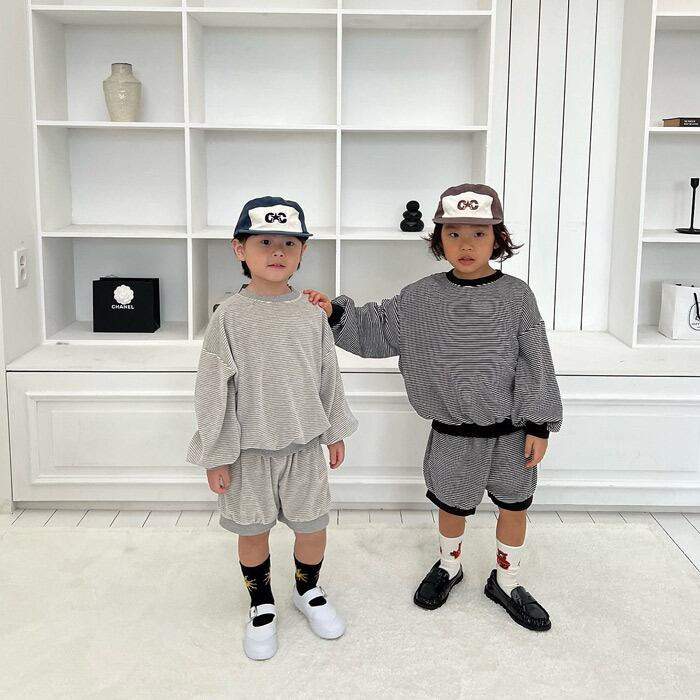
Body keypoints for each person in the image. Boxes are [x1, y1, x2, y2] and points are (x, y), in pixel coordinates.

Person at [304, 183, 563, 631]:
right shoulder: (421, 297)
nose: (466, 245)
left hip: (512, 433)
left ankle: (507, 580)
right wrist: (334, 314)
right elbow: (378, 327)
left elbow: (534, 358)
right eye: (454, 233)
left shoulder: (516, 297)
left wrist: (539, 423)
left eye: (479, 234)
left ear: (497, 238)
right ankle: (449, 565)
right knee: (451, 504)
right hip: (452, 433)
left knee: (514, 506)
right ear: (438, 239)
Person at [187, 196, 358, 660]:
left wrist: (334, 430)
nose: (278, 251)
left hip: (303, 448)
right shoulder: (228, 316)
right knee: (252, 531)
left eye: (289, 243)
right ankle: (261, 602)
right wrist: (216, 453)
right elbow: (212, 390)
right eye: (265, 242)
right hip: (248, 452)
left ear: (302, 251)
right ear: (239, 249)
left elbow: (327, 375)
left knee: (312, 527)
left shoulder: (312, 313)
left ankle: (308, 589)